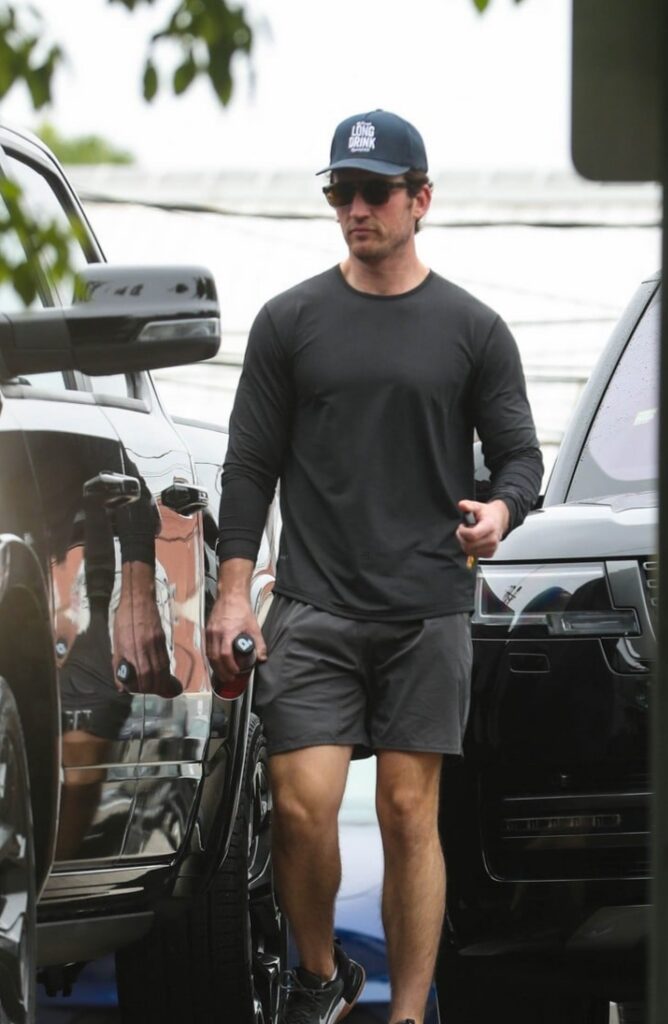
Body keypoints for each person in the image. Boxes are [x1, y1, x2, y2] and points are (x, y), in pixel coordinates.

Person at [207, 109, 543, 1024]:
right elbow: (249, 466)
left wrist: (500, 512)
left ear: (419, 199)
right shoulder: (289, 322)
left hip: (425, 608)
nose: (355, 208)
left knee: (405, 812)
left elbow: (520, 455)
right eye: (340, 192)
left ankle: (406, 1015)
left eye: (374, 192)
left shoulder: (473, 328)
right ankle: (320, 979)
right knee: (301, 805)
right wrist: (233, 595)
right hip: (313, 603)